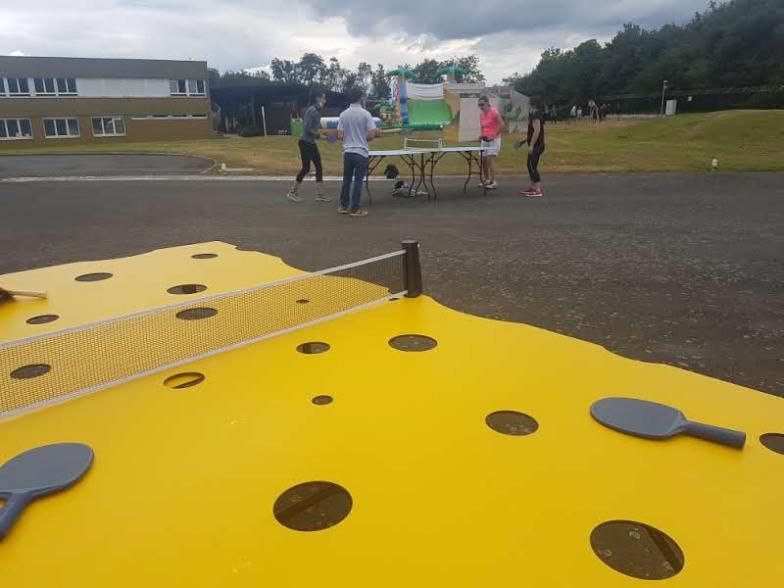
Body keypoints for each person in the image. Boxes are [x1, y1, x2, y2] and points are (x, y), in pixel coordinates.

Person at [336, 88, 378, 217]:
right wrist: (363, 138)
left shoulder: (343, 114)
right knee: (358, 180)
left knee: (347, 179)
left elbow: (340, 135)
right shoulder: (366, 114)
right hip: (361, 151)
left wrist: (349, 138)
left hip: (348, 151)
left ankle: (343, 206)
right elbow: (372, 134)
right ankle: (355, 208)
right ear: (361, 98)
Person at [287, 92, 330, 203]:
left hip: (311, 143)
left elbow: (315, 128)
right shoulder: (312, 110)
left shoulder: (317, 112)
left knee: (319, 166)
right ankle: (292, 192)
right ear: (317, 98)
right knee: (306, 168)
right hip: (305, 143)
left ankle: (320, 194)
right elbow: (307, 127)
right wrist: (319, 136)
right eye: (323, 98)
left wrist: (323, 134)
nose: (325, 101)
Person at [520, 98, 546, 198]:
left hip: (537, 145)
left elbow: (537, 131)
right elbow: (532, 132)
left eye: (529, 103)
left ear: (533, 104)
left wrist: (531, 145)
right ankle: (532, 187)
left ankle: (537, 189)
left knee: (532, 166)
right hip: (535, 144)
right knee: (530, 165)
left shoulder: (536, 116)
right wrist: (525, 140)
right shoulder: (533, 115)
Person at [477, 95, 503, 190]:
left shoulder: (494, 112)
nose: (481, 107)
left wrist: (494, 135)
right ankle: (487, 179)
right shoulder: (481, 115)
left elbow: (502, 125)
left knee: (490, 159)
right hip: (485, 139)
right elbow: (482, 127)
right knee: (483, 160)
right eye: (479, 105)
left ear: (487, 103)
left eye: (482, 105)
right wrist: (481, 135)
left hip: (494, 140)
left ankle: (493, 181)